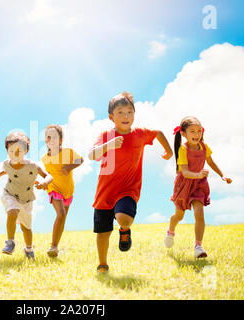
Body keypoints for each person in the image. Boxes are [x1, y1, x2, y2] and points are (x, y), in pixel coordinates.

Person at [89, 91, 173, 274]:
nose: (126, 116)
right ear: (112, 117)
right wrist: (108, 145)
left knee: (124, 218)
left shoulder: (140, 134)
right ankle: (102, 264)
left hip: (128, 189)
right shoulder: (105, 135)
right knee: (103, 232)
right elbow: (91, 154)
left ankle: (124, 229)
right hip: (104, 192)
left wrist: (168, 151)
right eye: (120, 112)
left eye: (130, 112)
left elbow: (158, 133)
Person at [165, 116, 232, 258]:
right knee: (179, 216)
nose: (196, 135)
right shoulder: (183, 149)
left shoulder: (204, 147)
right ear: (183, 134)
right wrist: (199, 175)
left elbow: (211, 162)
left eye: (199, 131)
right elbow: (185, 172)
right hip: (185, 184)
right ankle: (170, 231)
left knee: (199, 213)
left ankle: (198, 246)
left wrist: (222, 175)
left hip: (199, 185)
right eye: (192, 131)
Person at [0, 131, 53, 259]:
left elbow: (49, 176)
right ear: (7, 150)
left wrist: (44, 182)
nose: (15, 154)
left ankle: (29, 249)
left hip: (26, 200)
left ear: (26, 151)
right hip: (10, 193)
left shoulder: (32, 165)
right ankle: (10, 242)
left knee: (27, 228)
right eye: (11, 150)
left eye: (19, 150)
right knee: (12, 211)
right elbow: (6, 170)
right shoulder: (6, 163)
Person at [41, 124, 83, 257]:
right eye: (48, 136)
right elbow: (47, 173)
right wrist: (43, 183)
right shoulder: (45, 158)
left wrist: (70, 167)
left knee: (62, 218)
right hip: (54, 189)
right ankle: (53, 246)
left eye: (54, 136)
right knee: (61, 214)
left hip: (68, 190)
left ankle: (55, 247)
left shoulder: (68, 152)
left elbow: (80, 159)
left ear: (60, 140)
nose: (50, 139)